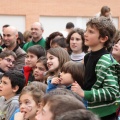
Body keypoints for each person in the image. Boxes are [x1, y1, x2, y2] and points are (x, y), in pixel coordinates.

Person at [71, 17, 120, 120]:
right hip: (92, 111)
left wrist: (84, 93)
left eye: (91, 32)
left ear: (103, 39)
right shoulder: (88, 57)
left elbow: (112, 91)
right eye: (86, 30)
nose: (85, 34)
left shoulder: (104, 60)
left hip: (105, 114)